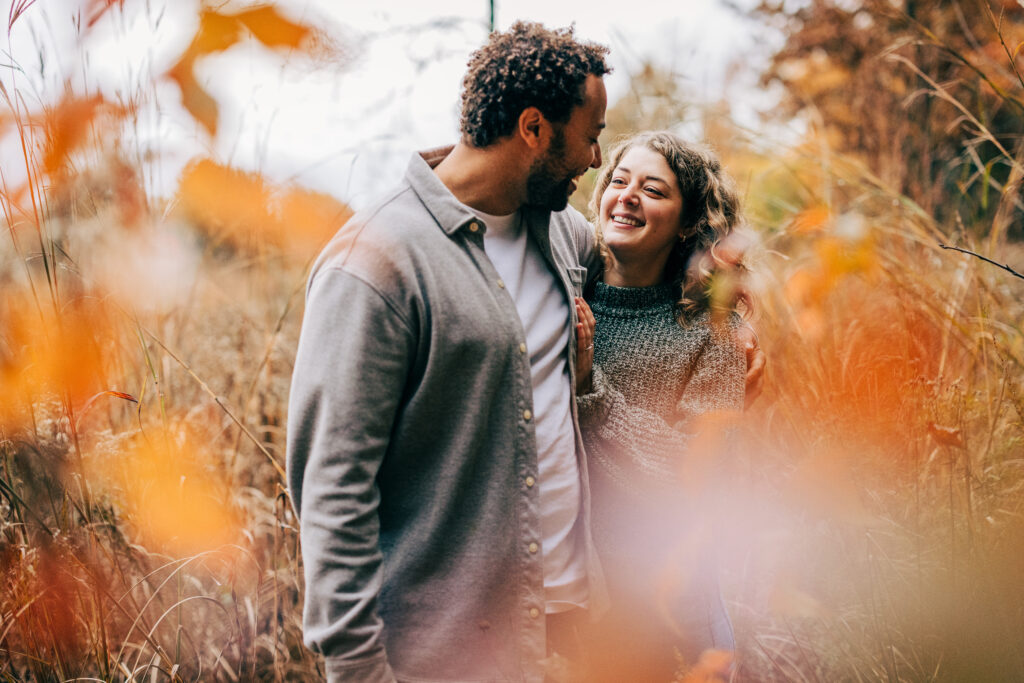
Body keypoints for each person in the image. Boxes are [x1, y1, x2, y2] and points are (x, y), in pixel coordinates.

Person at [287, 22, 763, 682]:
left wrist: (730, 311)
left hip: (574, 628)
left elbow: (659, 268)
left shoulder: (564, 235)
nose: (597, 161)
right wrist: (358, 667)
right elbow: (332, 493)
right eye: (592, 137)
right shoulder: (375, 264)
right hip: (447, 648)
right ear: (535, 129)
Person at [573, 132, 751, 681]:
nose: (627, 196)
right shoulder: (564, 291)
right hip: (567, 591)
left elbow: (692, 472)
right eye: (618, 182)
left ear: (690, 224)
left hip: (665, 597)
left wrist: (590, 390)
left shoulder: (714, 333)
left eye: (653, 189)